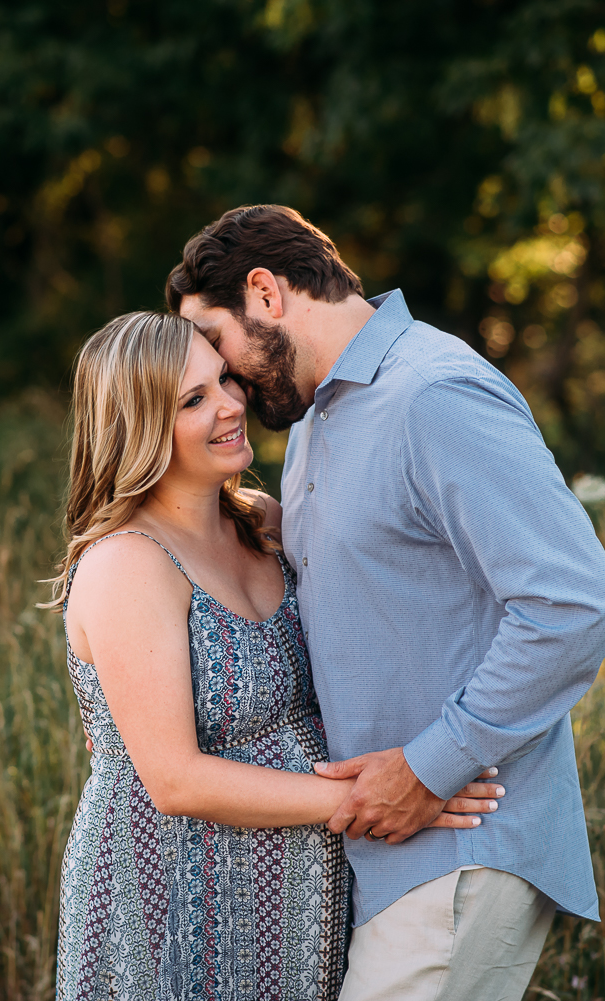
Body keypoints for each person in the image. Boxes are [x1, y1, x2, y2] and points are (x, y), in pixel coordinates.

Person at [166, 204, 605, 1001]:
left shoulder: (432, 392)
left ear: (266, 293)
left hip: (460, 844)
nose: (226, 377)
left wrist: (429, 763)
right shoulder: (320, 416)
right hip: (382, 860)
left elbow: (575, 604)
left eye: (216, 342)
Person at [49, 310, 505, 1001]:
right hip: (170, 892)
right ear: (140, 428)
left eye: (224, 379)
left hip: (297, 884)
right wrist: (382, 794)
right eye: (194, 400)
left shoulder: (262, 521)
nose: (232, 405)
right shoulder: (128, 562)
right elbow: (175, 780)